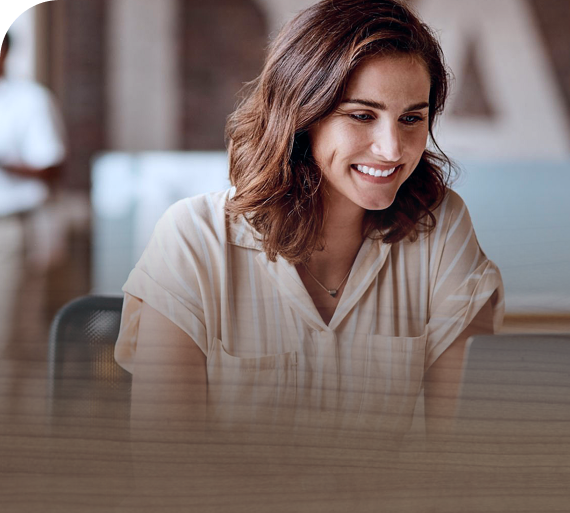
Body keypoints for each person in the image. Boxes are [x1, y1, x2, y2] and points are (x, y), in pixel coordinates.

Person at [114, 0, 504, 441]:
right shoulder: (193, 239)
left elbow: (467, 451)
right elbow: (164, 471)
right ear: (302, 116)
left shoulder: (441, 229)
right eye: (362, 116)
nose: (393, 149)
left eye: (411, 118)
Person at [0, 31, 67, 363]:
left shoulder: (29, 100)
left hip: (10, 228)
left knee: (9, 336)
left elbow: (52, 166)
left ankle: (12, 413)